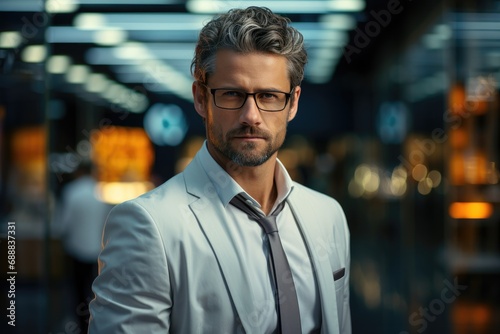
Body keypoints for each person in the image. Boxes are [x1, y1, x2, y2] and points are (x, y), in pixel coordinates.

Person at [88, 6, 351, 333]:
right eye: (232, 94)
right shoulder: (148, 225)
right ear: (201, 98)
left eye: (269, 96)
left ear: (293, 103)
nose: (251, 116)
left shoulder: (328, 216)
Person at [56, 161, 111, 333]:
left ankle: (80, 326)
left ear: (79, 172)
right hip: (97, 250)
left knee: (77, 291)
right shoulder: (101, 192)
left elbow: (62, 224)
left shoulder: (71, 192)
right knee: (95, 291)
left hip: (76, 249)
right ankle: (94, 324)